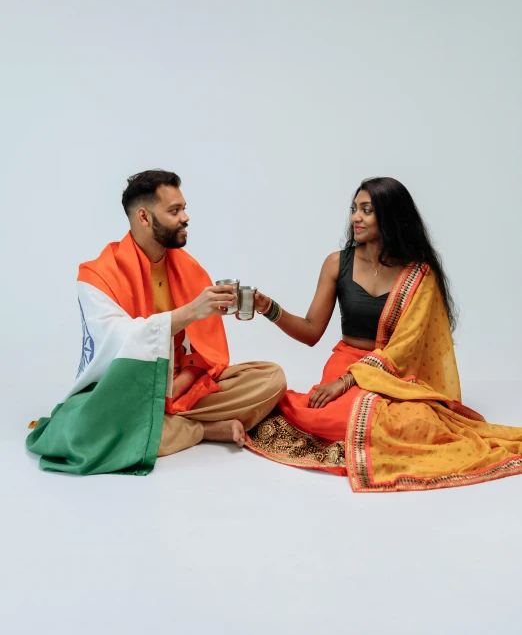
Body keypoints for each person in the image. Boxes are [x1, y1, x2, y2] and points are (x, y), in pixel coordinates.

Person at [248, 177, 522, 492]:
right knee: (333, 417)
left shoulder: (419, 275)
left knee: (417, 422)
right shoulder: (337, 263)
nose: (355, 218)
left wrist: (349, 381)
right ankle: (277, 405)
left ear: (391, 216)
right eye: (354, 209)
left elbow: (404, 349)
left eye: (367, 210)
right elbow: (311, 331)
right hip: (345, 361)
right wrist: (268, 308)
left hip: (393, 372)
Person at [27, 170, 286, 475]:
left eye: (184, 208)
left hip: (182, 393)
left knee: (271, 379)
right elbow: (117, 343)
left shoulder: (189, 269)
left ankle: (153, 427)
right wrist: (191, 312)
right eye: (174, 211)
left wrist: (179, 384)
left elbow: (203, 352)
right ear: (144, 217)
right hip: (126, 392)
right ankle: (203, 430)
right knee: (79, 435)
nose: (185, 217)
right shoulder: (96, 277)